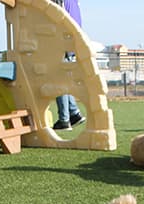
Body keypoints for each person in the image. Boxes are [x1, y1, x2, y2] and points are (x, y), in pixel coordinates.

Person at [51, 0, 86, 130]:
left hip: (62, 39)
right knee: (64, 79)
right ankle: (73, 113)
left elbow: (57, 15)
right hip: (73, 40)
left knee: (58, 79)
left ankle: (64, 119)